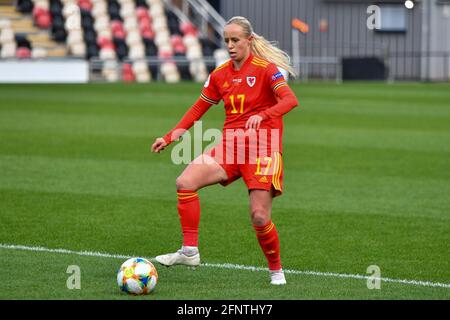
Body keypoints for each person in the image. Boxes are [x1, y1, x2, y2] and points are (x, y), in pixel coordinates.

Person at [151, 16, 299, 285]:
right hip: (230, 148)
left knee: (259, 216)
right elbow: (199, 108)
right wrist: (170, 136)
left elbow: (290, 99)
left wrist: (264, 115)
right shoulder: (220, 74)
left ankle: (276, 270)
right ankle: (190, 251)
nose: (230, 45)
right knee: (185, 182)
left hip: (263, 149)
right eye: (226, 40)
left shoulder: (267, 70)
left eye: (235, 40)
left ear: (249, 41)